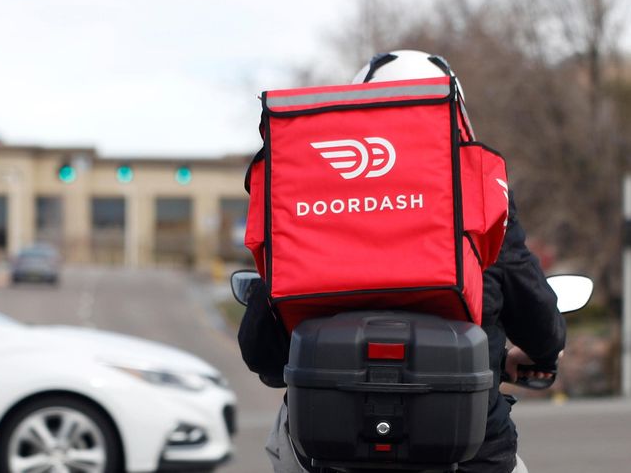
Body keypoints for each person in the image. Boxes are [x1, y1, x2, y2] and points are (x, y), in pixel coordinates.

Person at [242, 50, 566, 473]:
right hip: (471, 454)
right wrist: (540, 350)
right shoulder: (479, 194)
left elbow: (260, 350)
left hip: (328, 453)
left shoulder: (311, 199)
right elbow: (540, 321)